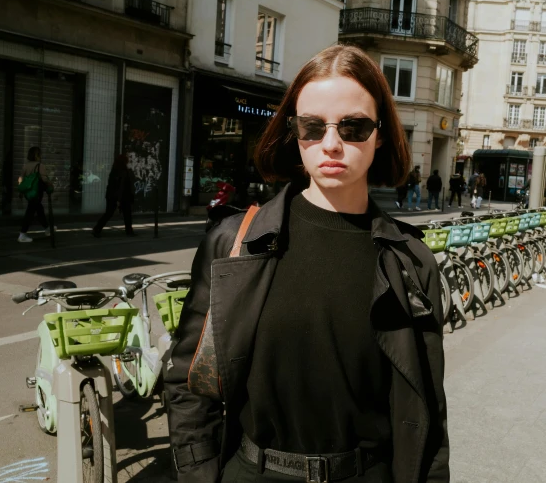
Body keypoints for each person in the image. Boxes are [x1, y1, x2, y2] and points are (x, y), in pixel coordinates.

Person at [165, 45, 449, 483]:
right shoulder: (234, 243)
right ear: (293, 134)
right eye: (312, 126)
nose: (331, 144)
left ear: (381, 135)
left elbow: (428, 414)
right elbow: (189, 383)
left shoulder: (411, 261)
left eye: (353, 127)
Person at [92, 154, 135, 237]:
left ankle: (97, 228)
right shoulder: (123, 171)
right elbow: (122, 186)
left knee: (109, 213)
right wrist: (119, 199)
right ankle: (129, 231)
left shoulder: (115, 170)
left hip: (113, 196)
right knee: (126, 214)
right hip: (121, 196)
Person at [17, 146, 53, 243]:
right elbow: (44, 179)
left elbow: (21, 179)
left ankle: (47, 229)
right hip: (37, 192)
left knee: (39, 209)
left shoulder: (26, 165)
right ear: (37, 155)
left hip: (28, 193)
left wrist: (21, 191)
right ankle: (22, 234)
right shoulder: (40, 165)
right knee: (30, 212)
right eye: (40, 154)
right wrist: (51, 185)